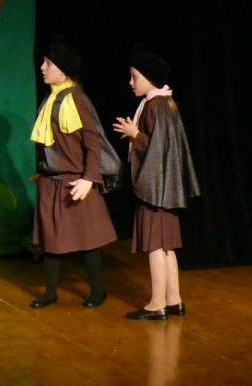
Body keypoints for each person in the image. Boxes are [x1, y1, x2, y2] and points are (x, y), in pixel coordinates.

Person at [30, 34, 118, 309]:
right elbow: (51, 143)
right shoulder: (51, 99)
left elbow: (93, 142)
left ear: (62, 68)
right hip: (51, 181)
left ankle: (98, 290)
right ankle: (50, 292)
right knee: (51, 239)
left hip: (75, 182)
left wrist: (89, 179)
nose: (43, 67)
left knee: (87, 238)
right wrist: (44, 170)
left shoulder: (76, 99)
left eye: (48, 63)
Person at [113, 45, 200, 320]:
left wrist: (134, 134)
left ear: (149, 78)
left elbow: (157, 148)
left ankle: (156, 304)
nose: (131, 82)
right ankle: (174, 300)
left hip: (156, 190)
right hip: (165, 189)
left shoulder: (156, 105)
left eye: (134, 77)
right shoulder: (163, 103)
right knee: (166, 247)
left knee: (155, 247)